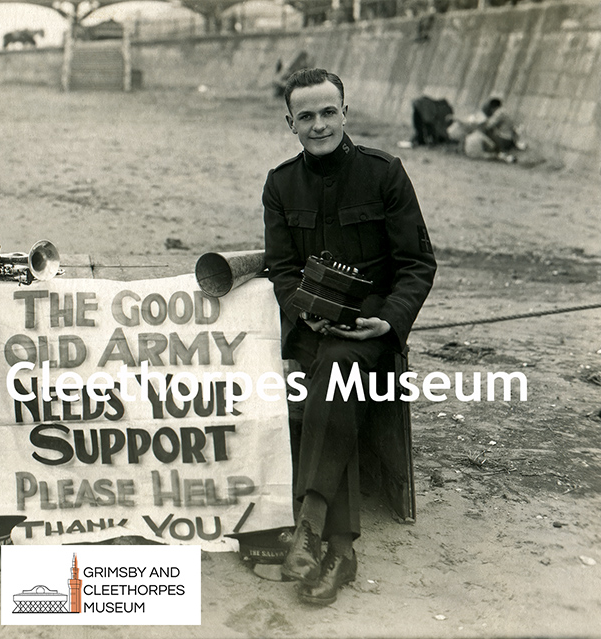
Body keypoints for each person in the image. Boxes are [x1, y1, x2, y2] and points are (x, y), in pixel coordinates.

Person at [262, 68, 436, 606]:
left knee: (336, 369)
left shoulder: (386, 173)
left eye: (328, 113)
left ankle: (311, 527)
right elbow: (282, 271)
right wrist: (303, 312)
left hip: (374, 332)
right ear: (290, 123)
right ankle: (339, 550)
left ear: (346, 113)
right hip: (314, 332)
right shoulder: (280, 183)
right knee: (330, 368)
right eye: (306, 117)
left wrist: (390, 320)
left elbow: (417, 265)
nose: (319, 126)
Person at [462, 97, 522, 163]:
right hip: (508, 139)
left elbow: (488, 125)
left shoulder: (499, 113)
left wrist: (478, 122)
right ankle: (499, 153)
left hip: (503, 139)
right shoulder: (504, 112)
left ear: (493, 107)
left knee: (483, 132)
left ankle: (498, 152)